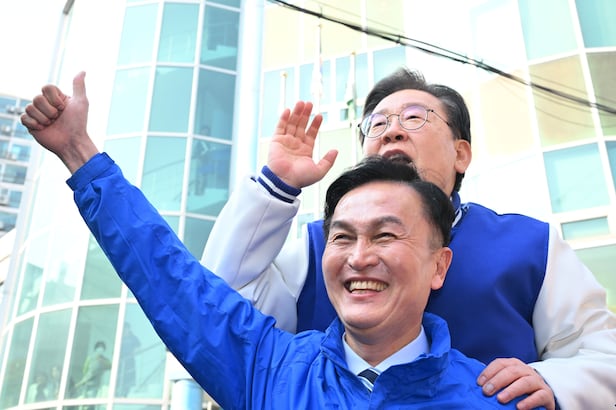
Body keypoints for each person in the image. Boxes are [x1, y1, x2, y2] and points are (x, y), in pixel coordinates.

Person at [20, 72, 528, 409]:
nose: (358, 258)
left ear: (439, 265)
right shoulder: (269, 367)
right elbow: (168, 273)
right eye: (341, 237)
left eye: (385, 235)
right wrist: (78, 152)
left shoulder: (495, 398)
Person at [201, 67, 616, 409]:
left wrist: (552, 382)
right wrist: (276, 187)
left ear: (461, 153)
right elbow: (220, 311)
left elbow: (601, 354)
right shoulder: (321, 247)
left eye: (414, 118)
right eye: (377, 124)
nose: (391, 132)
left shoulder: (529, 245)